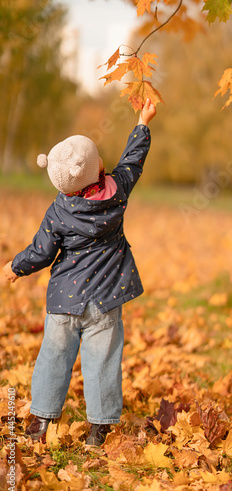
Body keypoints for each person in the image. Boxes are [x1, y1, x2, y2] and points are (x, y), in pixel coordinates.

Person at [3, 98, 156, 446]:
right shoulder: (117, 192)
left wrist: (13, 268)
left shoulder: (58, 211)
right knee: (102, 360)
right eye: (98, 157)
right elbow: (134, 159)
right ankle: (99, 429)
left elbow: (41, 252)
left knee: (54, 357)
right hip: (105, 298)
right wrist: (142, 123)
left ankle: (41, 420)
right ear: (97, 169)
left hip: (64, 301)